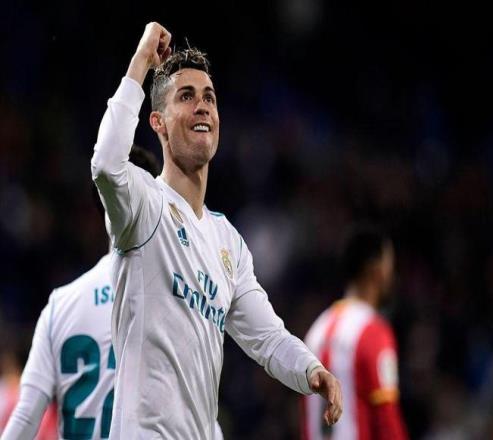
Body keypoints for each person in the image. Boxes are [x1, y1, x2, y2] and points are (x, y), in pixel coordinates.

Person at [91, 22, 343, 439]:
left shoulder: (228, 243)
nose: (202, 107)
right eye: (186, 97)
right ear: (158, 122)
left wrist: (310, 370)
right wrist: (140, 63)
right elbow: (105, 165)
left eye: (209, 97)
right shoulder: (144, 204)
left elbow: (268, 337)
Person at [1, 146, 161, 440]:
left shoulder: (61, 304)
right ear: (156, 205)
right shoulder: (177, 301)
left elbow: (26, 417)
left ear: (100, 205)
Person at [301, 225, 408, 439]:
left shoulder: (316, 331)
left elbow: (306, 418)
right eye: (390, 266)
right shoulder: (373, 332)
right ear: (376, 270)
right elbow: (386, 419)